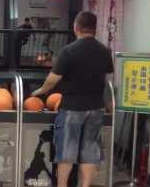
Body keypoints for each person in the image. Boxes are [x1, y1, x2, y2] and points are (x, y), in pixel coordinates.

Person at [31, 11, 114, 187]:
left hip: (72, 108)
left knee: (66, 153)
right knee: (90, 151)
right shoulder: (105, 51)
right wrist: (108, 104)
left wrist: (40, 91)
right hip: (95, 108)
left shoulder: (69, 51)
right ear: (94, 28)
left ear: (76, 27)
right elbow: (105, 79)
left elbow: (53, 79)